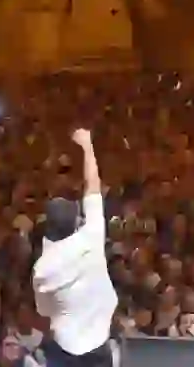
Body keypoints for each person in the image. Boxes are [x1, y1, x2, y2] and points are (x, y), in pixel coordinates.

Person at [32, 128, 117, 367]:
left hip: (65, 348)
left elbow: (44, 311)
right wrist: (87, 145)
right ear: (76, 222)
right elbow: (92, 186)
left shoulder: (42, 267)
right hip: (97, 347)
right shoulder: (91, 237)